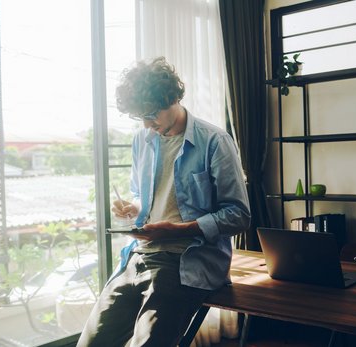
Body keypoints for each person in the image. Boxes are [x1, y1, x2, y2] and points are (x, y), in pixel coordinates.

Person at [77, 57, 250, 347]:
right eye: (139, 117)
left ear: (171, 97)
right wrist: (133, 207)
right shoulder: (142, 140)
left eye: (150, 114)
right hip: (139, 255)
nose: (147, 124)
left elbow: (239, 216)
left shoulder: (214, 142)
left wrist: (178, 230)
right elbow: (140, 193)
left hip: (186, 260)